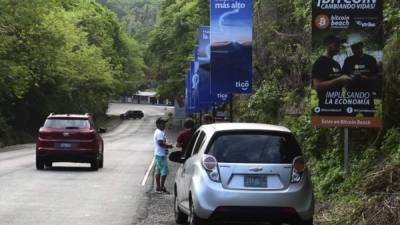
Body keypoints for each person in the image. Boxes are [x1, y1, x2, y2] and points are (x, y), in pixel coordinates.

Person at [312, 34, 353, 114]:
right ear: (328, 44)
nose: (339, 47)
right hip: (326, 108)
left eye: (339, 44)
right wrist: (339, 79)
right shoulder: (320, 62)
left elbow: (340, 82)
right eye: (336, 44)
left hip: (339, 106)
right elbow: (317, 86)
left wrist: (347, 80)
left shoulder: (336, 64)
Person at [342, 34, 380, 116]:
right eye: (352, 47)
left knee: (369, 117)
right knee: (349, 117)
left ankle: (369, 129)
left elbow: (376, 77)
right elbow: (343, 76)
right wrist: (350, 78)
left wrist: (367, 78)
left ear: (361, 46)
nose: (354, 50)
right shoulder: (348, 60)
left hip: (366, 94)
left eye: (357, 47)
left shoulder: (370, 59)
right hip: (351, 94)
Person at [153, 117, 173, 193]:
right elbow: (160, 143)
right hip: (161, 155)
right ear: (158, 124)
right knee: (164, 171)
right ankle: (162, 187)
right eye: (162, 123)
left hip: (159, 154)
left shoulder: (159, 132)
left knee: (158, 171)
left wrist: (167, 146)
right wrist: (169, 146)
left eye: (165, 123)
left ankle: (158, 187)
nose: (164, 125)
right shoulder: (159, 133)